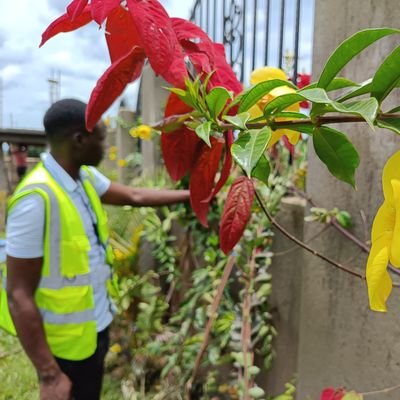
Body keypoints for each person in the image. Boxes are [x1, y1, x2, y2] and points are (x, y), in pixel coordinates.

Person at [0, 99, 190, 400]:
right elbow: (18, 293)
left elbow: (135, 195)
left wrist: (194, 195)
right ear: (79, 140)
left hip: (94, 328)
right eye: (101, 139)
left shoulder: (82, 177)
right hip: (63, 349)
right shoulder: (35, 199)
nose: (105, 146)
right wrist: (50, 375)